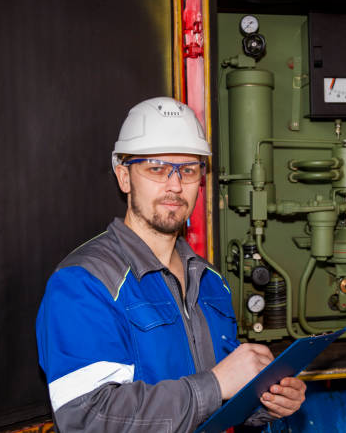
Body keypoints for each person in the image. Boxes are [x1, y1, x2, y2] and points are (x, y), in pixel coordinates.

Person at [36, 96, 306, 432]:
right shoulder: (83, 283)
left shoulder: (210, 281)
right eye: (157, 168)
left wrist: (266, 400)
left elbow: (222, 399)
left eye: (189, 170)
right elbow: (90, 417)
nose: (175, 185)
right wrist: (216, 384)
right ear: (124, 177)